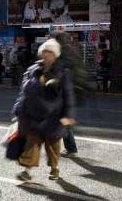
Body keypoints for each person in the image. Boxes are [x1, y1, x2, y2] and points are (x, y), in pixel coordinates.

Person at [12, 38, 76, 182]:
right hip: (33, 115)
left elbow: (69, 95)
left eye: (50, 52)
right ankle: (26, 171)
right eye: (44, 51)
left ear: (55, 54)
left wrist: (69, 115)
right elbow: (23, 93)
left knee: (52, 146)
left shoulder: (63, 72)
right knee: (31, 144)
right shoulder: (32, 70)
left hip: (53, 116)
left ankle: (54, 168)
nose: (46, 54)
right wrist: (17, 110)